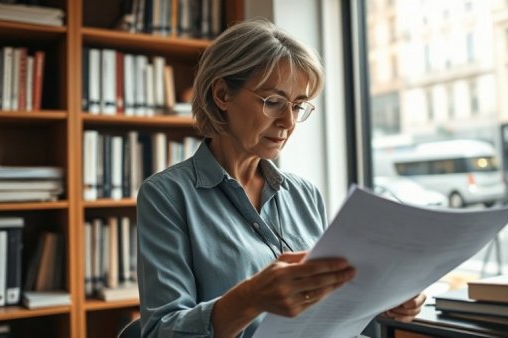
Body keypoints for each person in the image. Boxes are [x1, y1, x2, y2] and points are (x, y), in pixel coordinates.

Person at [137, 19, 425, 338]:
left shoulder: (305, 195)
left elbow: (334, 313)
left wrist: (384, 304)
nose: (288, 122)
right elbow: (160, 332)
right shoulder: (166, 195)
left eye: (298, 105)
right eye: (273, 102)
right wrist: (249, 299)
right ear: (222, 94)